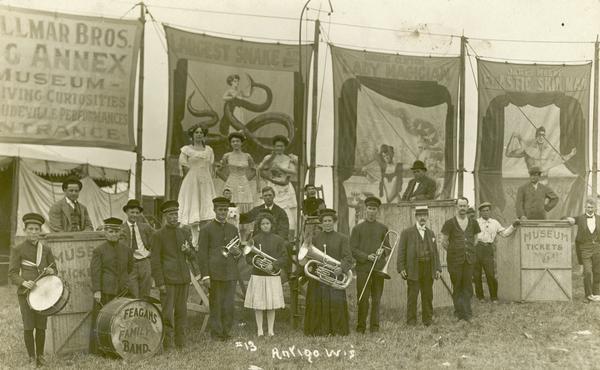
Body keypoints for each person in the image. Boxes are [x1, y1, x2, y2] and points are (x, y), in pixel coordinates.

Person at [8, 213, 57, 366]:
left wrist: (52, 271)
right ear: (25, 230)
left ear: (40, 230)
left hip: (44, 293)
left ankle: (40, 356)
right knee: (29, 326)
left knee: (41, 326)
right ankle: (31, 357)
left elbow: (54, 268)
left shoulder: (46, 249)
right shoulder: (18, 249)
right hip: (26, 293)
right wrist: (23, 282)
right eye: (30, 229)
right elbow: (12, 273)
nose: (33, 232)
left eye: (36, 229)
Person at [151, 200, 195, 349]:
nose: (174, 217)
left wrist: (187, 251)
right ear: (164, 216)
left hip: (183, 279)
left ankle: (181, 343)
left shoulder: (184, 232)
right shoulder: (158, 235)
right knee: (168, 314)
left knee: (182, 313)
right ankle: (167, 344)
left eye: (175, 214)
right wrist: (160, 283)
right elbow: (155, 261)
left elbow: (193, 256)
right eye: (170, 214)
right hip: (168, 281)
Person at [304, 209, 355, 336]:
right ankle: (317, 330)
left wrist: (341, 268)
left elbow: (348, 257)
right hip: (319, 276)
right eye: (325, 221)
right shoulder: (315, 239)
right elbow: (310, 257)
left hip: (335, 276)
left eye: (330, 221)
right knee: (317, 301)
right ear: (321, 223)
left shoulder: (342, 238)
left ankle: (337, 330)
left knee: (335, 302)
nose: (327, 223)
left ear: (334, 222)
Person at [198, 197, 241, 341]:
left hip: (230, 273)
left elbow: (238, 253)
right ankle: (216, 333)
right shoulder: (206, 230)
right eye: (220, 210)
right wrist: (205, 276)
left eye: (225, 210)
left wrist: (237, 253)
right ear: (214, 210)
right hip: (214, 273)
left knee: (229, 304)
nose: (223, 212)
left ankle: (226, 332)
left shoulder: (233, 229)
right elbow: (202, 254)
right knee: (216, 304)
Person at [90, 217, 134, 355]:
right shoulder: (99, 251)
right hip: (105, 291)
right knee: (102, 321)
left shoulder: (126, 250)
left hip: (122, 290)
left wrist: (124, 281)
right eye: (110, 231)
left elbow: (130, 267)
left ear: (120, 232)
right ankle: (100, 350)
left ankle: (120, 347)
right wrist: (97, 291)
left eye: (116, 231)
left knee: (121, 320)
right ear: (105, 232)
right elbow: (95, 272)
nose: (114, 234)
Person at [350, 196, 390, 334]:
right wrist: (366, 256)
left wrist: (382, 251)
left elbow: (388, 248)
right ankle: (361, 327)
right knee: (362, 299)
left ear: (377, 211)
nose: (372, 211)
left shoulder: (383, 228)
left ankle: (375, 327)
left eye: (374, 209)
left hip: (378, 269)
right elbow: (353, 249)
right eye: (369, 208)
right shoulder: (357, 229)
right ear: (365, 209)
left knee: (376, 299)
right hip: (363, 268)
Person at [243, 213, 287, 337]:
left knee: (271, 304)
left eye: (267, 223)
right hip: (258, 275)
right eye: (263, 224)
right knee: (258, 304)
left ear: (272, 225)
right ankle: (260, 330)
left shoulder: (278, 239)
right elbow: (248, 257)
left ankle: (271, 330)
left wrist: (274, 265)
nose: (265, 226)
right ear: (259, 225)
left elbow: (284, 257)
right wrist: (257, 261)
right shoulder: (255, 239)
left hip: (272, 276)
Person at [397, 206, 441, 326]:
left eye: (424, 215)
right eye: (420, 215)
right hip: (413, 269)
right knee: (413, 295)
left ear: (427, 217)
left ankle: (427, 320)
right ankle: (411, 321)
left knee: (427, 295)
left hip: (428, 268)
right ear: (416, 217)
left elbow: (435, 253)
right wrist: (401, 268)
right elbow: (401, 251)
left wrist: (437, 268)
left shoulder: (430, 233)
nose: (422, 218)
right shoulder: (407, 233)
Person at [440, 197, 481, 322]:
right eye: (460, 206)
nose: (462, 208)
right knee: (457, 285)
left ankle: (467, 313)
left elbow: (475, 239)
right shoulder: (449, 223)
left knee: (467, 285)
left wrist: (468, 251)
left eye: (464, 206)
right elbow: (444, 242)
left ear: (467, 207)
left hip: (469, 260)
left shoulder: (473, 223)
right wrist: (454, 252)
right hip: (454, 261)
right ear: (456, 207)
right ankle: (458, 312)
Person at [177, 124, 217, 246]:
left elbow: (210, 167)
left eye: (201, 132)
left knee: (206, 210)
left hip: (206, 182)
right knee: (194, 208)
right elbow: (183, 167)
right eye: (196, 132)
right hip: (192, 182)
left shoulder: (209, 150)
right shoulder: (186, 150)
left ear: (204, 135)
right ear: (192, 135)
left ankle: (204, 241)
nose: (199, 134)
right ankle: (194, 242)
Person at [474, 202, 519, 302]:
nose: (486, 212)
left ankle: (494, 297)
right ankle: (480, 297)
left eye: (488, 210)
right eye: (483, 211)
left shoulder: (495, 223)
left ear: (490, 211)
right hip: (477, 248)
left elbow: (504, 233)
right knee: (476, 274)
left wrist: (513, 226)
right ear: (480, 212)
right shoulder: (475, 222)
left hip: (488, 249)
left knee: (490, 274)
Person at [258, 135, 298, 233]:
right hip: (273, 185)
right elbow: (260, 168)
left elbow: (294, 171)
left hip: (284, 187)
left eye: (281, 146)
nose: (279, 148)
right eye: (277, 146)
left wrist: (281, 168)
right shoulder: (269, 157)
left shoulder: (288, 158)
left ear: (285, 147)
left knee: (287, 212)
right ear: (274, 147)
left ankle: (288, 235)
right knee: (271, 210)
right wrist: (271, 158)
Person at [505, 126, 576, 180]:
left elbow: (562, 159)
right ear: (536, 136)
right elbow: (508, 154)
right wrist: (513, 138)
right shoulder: (528, 150)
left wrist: (571, 154)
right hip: (533, 181)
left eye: (543, 135)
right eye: (539, 135)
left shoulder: (549, 151)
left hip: (545, 181)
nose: (541, 137)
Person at [566, 198, 600, 302]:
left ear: (595, 208)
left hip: (597, 248)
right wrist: (568, 219)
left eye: (592, 207)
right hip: (585, 249)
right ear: (585, 207)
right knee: (588, 272)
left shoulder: (599, 218)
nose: (590, 209)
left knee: (597, 271)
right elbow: (565, 218)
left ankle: (597, 293)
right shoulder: (580, 218)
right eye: (588, 207)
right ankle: (588, 295)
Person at [120, 199, 154, 299]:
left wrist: (150, 253)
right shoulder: (121, 228)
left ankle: (143, 312)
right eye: (132, 212)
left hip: (145, 263)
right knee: (133, 293)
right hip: (130, 265)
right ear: (126, 212)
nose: (134, 215)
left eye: (137, 213)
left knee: (145, 293)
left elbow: (157, 238)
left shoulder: (145, 227)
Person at [219, 132, 256, 213]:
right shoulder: (227, 156)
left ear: (241, 142)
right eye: (233, 141)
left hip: (244, 184)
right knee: (230, 204)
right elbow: (218, 171)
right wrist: (228, 180)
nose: (235, 143)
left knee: (244, 204)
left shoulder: (247, 156)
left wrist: (246, 179)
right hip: (231, 183)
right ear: (230, 143)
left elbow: (254, 170)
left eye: (237, 141)